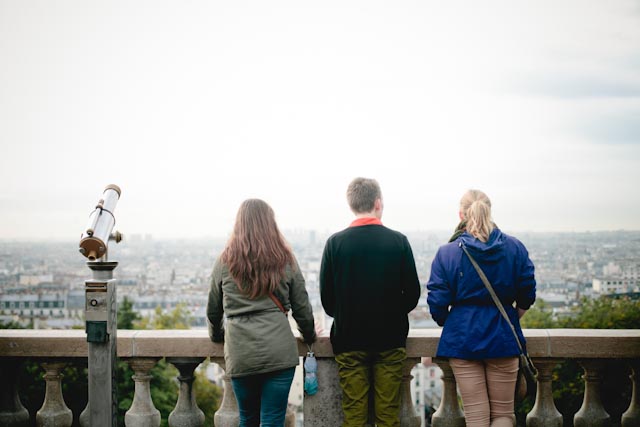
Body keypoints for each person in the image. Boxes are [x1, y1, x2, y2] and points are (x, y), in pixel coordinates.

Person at [427, 189, 536, 427]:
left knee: (476, 416)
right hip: (503, 338)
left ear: (460, 214)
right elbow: (528, 292)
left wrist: (452, 320)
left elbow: (437, 302)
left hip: (463, 339)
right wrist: (513, 315)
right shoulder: (515, 248)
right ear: (489, 211)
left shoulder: (447, 253)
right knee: (504, 415)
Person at [320, 177, 421, 427]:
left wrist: (348, 313)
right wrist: (391, 312)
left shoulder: (335, 243)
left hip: (349, 339)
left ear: (351, 205)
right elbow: (412, 294)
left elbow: (327, 299)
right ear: (378, 203)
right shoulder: (398, 241)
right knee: (388, 416)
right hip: (390, 338)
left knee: (354, 416)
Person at [207, 199, 316, 427]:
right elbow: (302, 306)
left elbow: (213, 310)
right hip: (278, 353)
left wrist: (217, 336)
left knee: (247, 419)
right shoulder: (285, 259)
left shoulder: (224, 261)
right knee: (273, 420)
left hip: (240, 352)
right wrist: (309, 335)